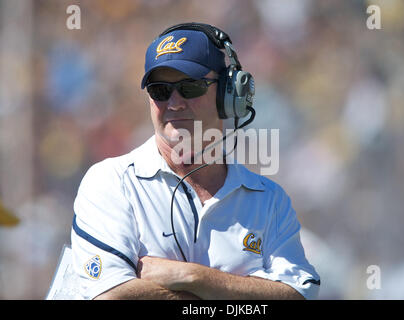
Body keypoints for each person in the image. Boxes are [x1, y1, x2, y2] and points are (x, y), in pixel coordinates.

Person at [71, 22, 320, 300]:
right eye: (160, 90)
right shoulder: (111, 183)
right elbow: (110, 297)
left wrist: (192, 277)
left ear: (229, 93)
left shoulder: (270, 201)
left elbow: (298, 295)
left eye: (190, 87)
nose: (174, 103)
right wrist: (244, 292)